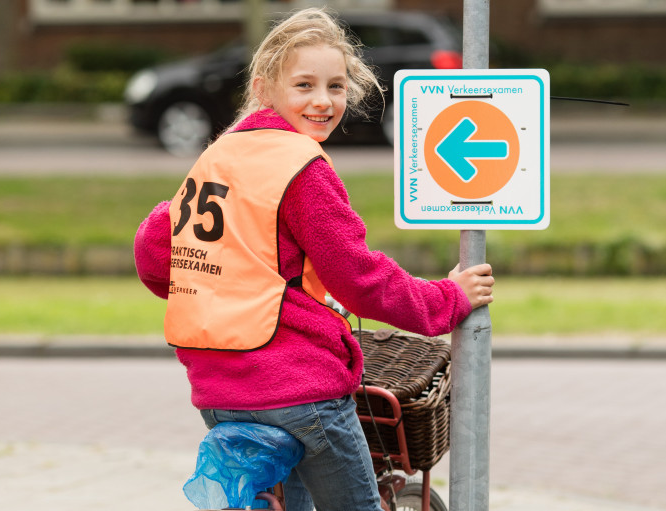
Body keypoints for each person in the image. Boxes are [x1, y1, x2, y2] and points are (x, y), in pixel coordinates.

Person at [134, 7, 494, 511]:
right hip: (297, 389)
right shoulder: (300, 167)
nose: (323, 101)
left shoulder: (218, 157)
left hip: (218, 393)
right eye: (304, 86)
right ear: (265, 90)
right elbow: (359, 279)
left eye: (337, 87)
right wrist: (447, 298)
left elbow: (155, 257)